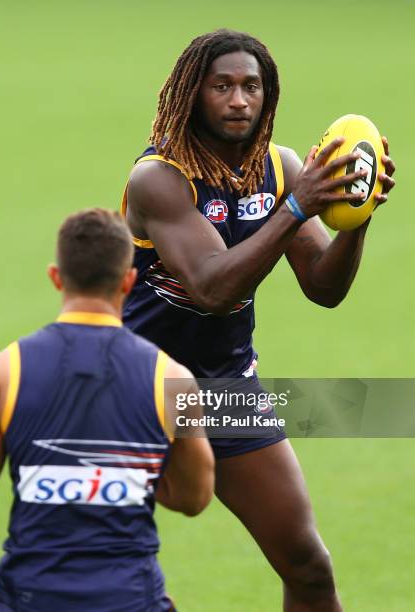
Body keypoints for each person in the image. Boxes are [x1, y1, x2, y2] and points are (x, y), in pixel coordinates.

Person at [121, 29, 396, 611]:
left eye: (252, 87)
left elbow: (324, 287)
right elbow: (213, 287)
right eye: (222, 86)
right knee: (94, 574)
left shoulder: (282, 166)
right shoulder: (159, 178)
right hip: (134, 390)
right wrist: (297, 208)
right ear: (193, 95)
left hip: (223, 387)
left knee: (308, 566)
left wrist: (356, 215)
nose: (239, 100)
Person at [0, 209, 215, 612]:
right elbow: (194, 497)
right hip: (131, 600)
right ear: (129, 281)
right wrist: (135, 466)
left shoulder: (4, 372)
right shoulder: (172, 380)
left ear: (56, 278)